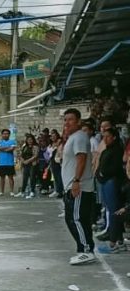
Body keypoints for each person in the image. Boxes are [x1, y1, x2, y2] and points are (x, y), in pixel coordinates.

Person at [60, 108, 97, 265]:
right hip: (72, 185)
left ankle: (86, 250)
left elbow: (81, 160)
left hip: (79, 186)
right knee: (79, 219)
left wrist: (76, 181)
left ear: (78, 121)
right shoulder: (73, 137)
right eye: (65, 120)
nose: (67, 123)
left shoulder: (80, 137)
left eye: (70, 119)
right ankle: (85, 249)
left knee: (75, 219)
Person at [96, 127, 126, 252]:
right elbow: (100, 166)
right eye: (104, 136)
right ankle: (119, 240)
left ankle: (113, 243)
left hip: (112, 182)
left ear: (114, 137)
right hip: (104, 182)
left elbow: (115, 168)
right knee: (110, 209)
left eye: (108, 136)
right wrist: (99, 175)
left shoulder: (117, 150)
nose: (105, 139)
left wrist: (104, 174)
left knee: (114, 211)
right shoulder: (106, 151)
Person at [16, 134, 39, 198]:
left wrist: (28, 161)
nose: (30, 141)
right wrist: (23, 161)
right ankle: (22, 191)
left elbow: (35, 155)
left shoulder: (35, 147)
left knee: (32, 178)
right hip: (25, 164)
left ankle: (32, 191)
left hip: (32, 164)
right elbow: (21, 154)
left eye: (31, 140)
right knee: (25, 178)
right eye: (28, 140)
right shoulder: (25, 147)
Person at [0, 129, 17, 196]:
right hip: (2, 163)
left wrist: (4, 149)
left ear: (9, 135)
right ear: (2, 134)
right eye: (4, 134)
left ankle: (11, 191)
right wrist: (7, 148)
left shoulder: (12, 141)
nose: (5, 135)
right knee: (2, 178)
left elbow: (11, 149)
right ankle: (1, 191)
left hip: (10, 163)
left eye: (7, 133)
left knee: (10, 177)